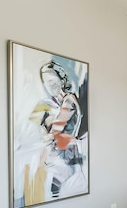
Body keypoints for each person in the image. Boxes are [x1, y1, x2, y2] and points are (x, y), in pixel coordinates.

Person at [29, 60, 85, 199]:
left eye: (52, 80)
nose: (50, 85)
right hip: (57, 155)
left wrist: (47, 131)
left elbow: (56, 129)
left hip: (67, 157)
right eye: (46, 82)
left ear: (61, 79)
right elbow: (42, 132)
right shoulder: (50, 104)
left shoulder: (69, 100)